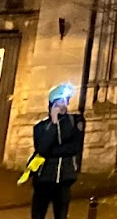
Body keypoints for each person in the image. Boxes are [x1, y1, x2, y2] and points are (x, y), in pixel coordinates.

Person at [31, 84, 84, 219]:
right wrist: (53, 124)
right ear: (53, 103)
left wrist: (51, 151)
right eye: (61, 101)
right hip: (43, 179)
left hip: (64, 179)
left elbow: (74, 148)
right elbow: (42, 149)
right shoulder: (41, 127)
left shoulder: (75, 121)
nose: (65, 104)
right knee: (38, 214)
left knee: (61, 215)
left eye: (67, 100)